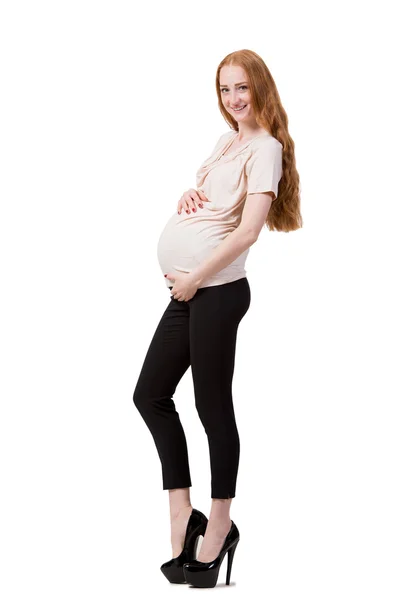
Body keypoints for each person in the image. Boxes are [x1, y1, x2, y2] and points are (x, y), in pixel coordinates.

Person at [133, 48, 302, 588]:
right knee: (150, 394)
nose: (234, 100)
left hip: (216, 293)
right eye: (225, 90)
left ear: (261, 89)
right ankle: (182, 514)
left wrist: (193, 277)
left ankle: (221, 524)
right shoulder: (226, 141)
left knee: (211, 405)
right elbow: (209, 202)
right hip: (191, 291)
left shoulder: (267, 149)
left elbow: (249, 231)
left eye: (242, 88)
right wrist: (189, 193)